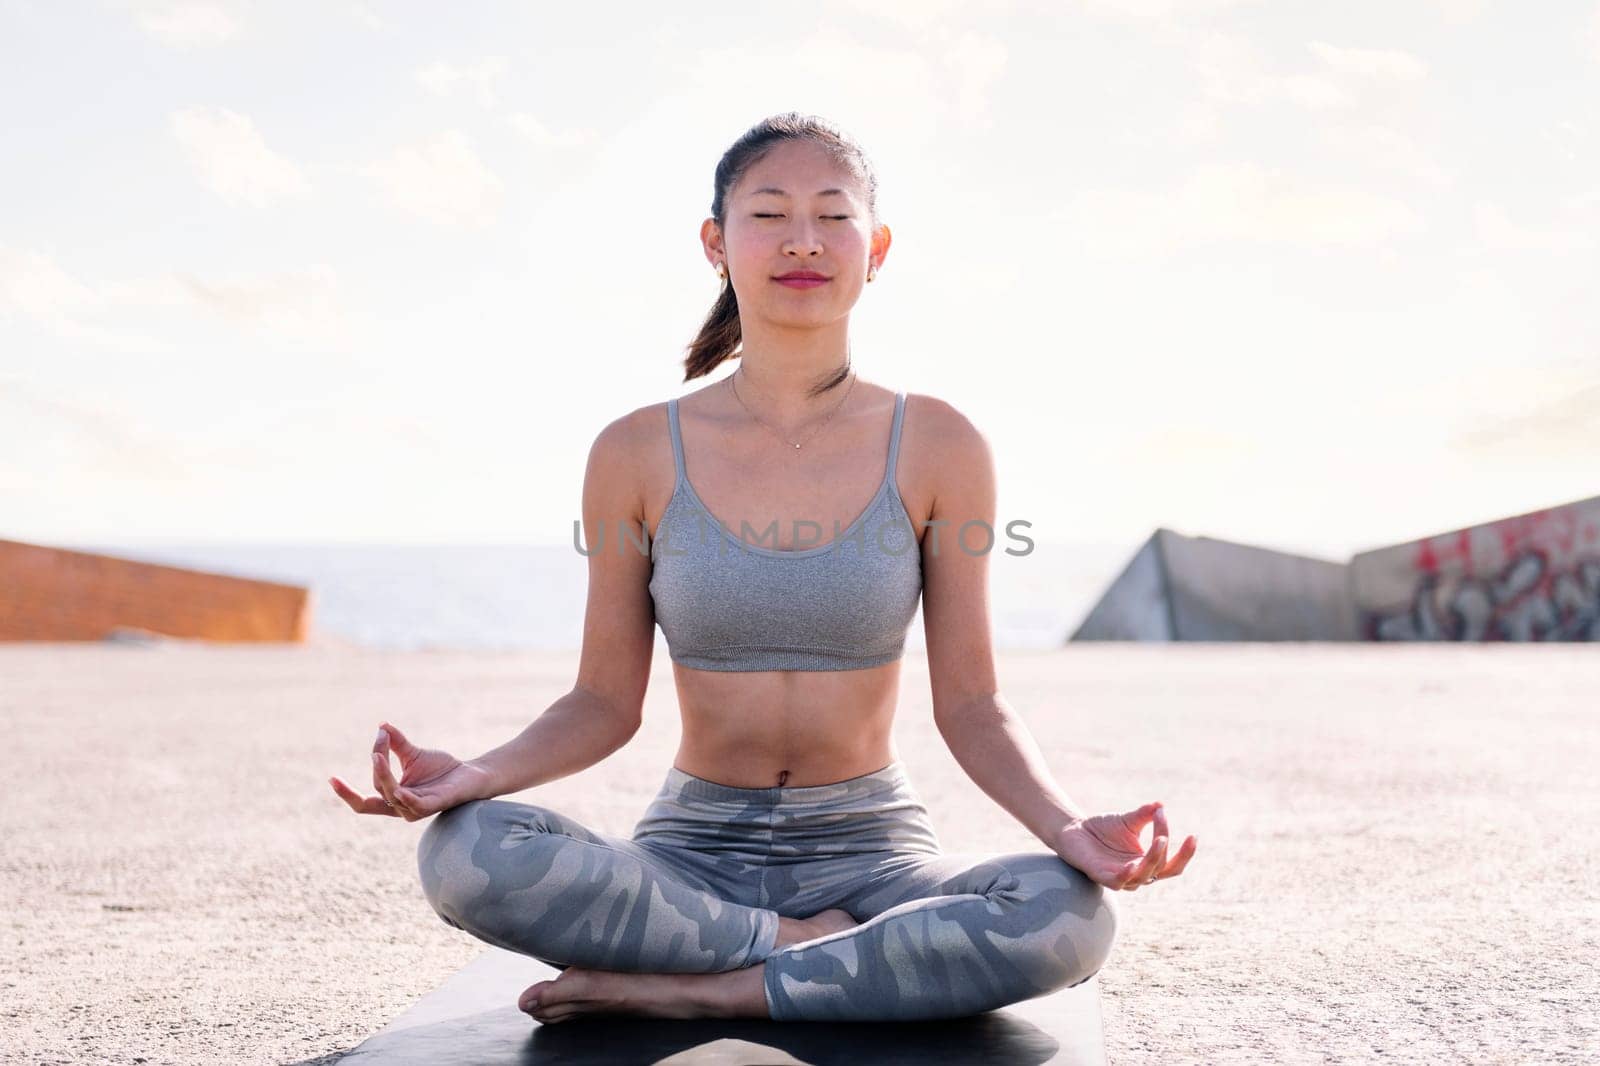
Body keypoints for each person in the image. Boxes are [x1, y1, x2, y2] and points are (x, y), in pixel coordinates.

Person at [329, 111, 1197, 1026]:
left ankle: (704, 988)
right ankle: (792, 957)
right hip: (689, 858)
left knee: (1065, 916)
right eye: (769, 214)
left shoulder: (940, 444)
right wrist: (478, 775)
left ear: (879, 249)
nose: (804, 241)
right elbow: (602, 701)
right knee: (467, 854)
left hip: (875, 858)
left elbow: (973, 705)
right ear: (717, 243)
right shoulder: (635, 451)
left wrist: (1066, 831)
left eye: (833, 215)